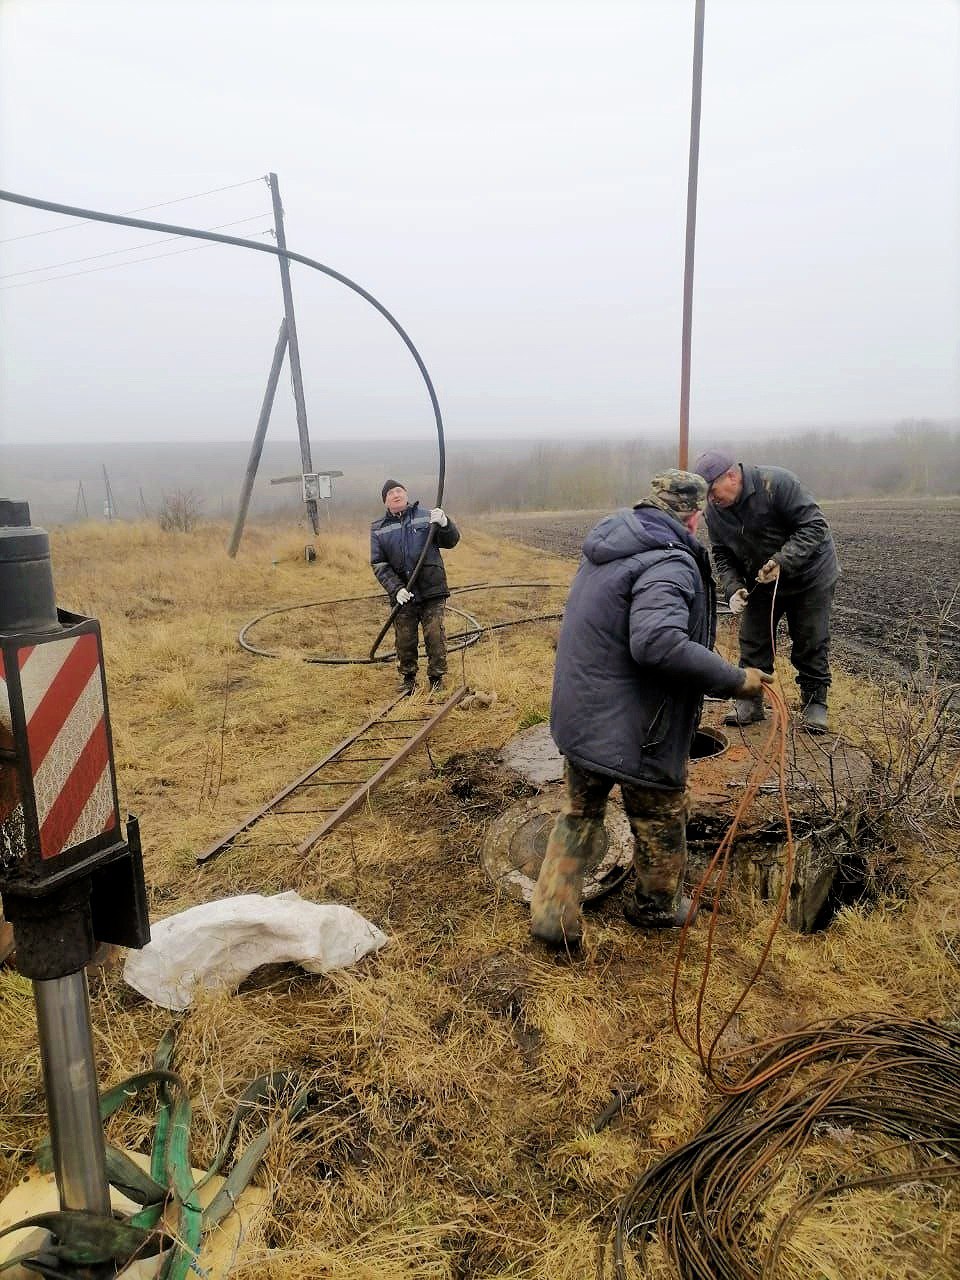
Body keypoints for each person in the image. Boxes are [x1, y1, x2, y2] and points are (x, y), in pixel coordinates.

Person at [530, 470, 770, 947]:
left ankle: (551, 916)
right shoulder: (671, 562)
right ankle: (655, 906)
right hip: (641, 725)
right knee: (662, 816)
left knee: (579, 812)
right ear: (694, 516)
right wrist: (736, 679)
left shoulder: (613, 545)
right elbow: (658, 643)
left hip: (583, 715)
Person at [692, 450, 839, 732]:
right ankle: (750, 701)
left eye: (712, 491)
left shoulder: (777, 484)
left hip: (810, 576)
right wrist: (733, 587)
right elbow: (722, 554)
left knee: (811, 639)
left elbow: (815, 526)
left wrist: (783, 561)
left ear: (732, 477)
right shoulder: (715, 513)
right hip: (760, 579)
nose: (711, 499)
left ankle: (815, 704)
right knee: (753, 641)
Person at [370, 480, 460, 693]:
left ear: (406, 495)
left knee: (434, 635)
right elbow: (379, 563)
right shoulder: (378, 529)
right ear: (385, 501)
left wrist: (446, 523)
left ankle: (436, 679)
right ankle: (408, 679)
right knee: (405, 639)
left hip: (431, 589)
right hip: (404, 594)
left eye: (399, 490)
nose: (396, 494)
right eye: (390, 493)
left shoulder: (428, 516)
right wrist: (396, 589)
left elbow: (452, 541)